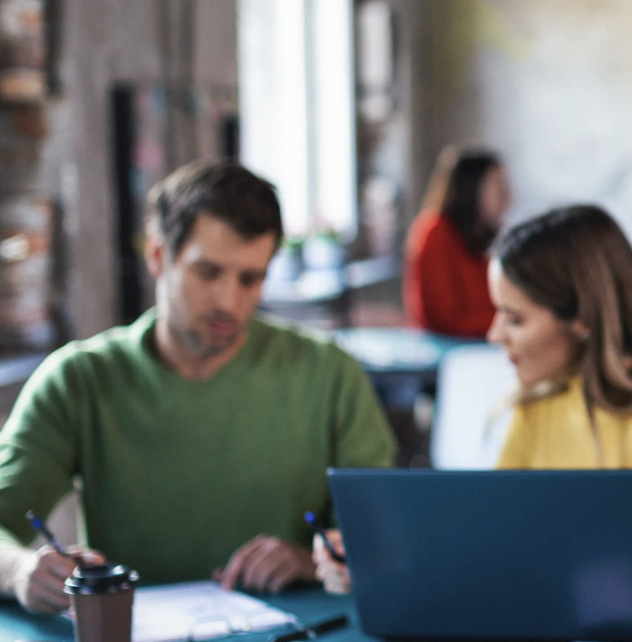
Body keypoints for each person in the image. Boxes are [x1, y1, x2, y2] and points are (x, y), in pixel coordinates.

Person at [319, 205, 632, 593]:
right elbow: (494, 545)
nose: (494, 335)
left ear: (581, 320)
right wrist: (380, 558)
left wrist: (623, 565)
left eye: (514, 319)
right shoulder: (536, 403)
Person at [0, 160, 395, 611]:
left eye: (251, 279)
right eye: (208, 273)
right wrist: (19, 571)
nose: (229, 301)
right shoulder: (79, 380)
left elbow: (384, 536)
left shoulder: (329, 373)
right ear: (157, 256)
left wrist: (312, 561)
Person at [403, 146, 511, 337]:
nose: (508, 196)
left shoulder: (482, 235)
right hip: (448, 349)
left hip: (477, 342)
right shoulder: (434, 232)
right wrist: (514, 322)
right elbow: (445, 319)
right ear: (471, 188)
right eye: (498, 186)